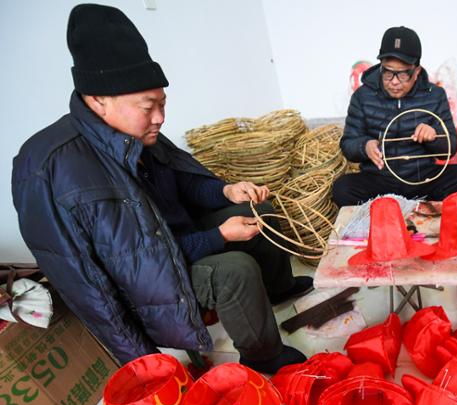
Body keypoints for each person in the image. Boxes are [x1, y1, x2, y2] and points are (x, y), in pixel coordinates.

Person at [11, 4, 310, 374]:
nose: (160, 118)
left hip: (177, 244)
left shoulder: (136, 133)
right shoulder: (48, 166)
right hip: (148, 285)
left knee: (258, 212)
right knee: (235, 270)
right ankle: (263, 357)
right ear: (98, 100)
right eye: (148, 106)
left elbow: (182, 180)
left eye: (163, 104)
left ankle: (278, 288)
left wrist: (226, 192)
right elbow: (98, 280)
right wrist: (217, 236)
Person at [333, 26, 457, 206]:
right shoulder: (363, 96)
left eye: (402, 74)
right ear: (381, 66)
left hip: (423, 179)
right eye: (388, 72)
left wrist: (433, 137)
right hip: (379, 180)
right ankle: (389, 207)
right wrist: (365, 146)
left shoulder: (434, 95)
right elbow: (348, 144)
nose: (394, 81)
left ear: (416, 72)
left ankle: (413, 206)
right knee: (342, 188)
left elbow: (451, 146)